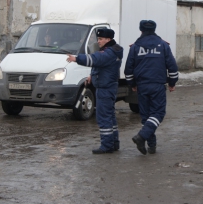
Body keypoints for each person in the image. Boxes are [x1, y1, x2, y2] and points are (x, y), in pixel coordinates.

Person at [125, 20, 178, 155]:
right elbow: (172, 66)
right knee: (158, 113)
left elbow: (128, 69)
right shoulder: (163, 46)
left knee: (146, 116)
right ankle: (141, 137)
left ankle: (151, 146)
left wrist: (133, 84)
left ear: (140, 30)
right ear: (154, 29)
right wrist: (172, 83)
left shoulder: (135, 47)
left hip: (142, 86)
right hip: (157, 85)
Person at [66, 28, 123, 154]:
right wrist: (92, 76)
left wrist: (76, 58)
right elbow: (101, 65)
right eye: (98, 39)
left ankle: (107, 145)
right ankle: (114, 142)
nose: (99, 41)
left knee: (103, 117)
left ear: (108, 39)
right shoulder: (112, 51)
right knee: (110, 116)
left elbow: (95, 59)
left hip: (105, 88)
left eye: (101, 39)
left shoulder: (109, 53)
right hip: (107, 87)